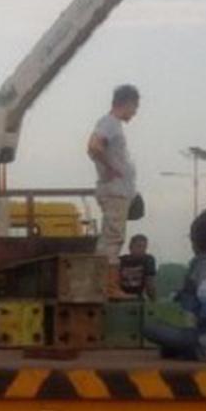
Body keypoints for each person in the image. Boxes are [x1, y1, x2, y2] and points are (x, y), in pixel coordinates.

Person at [87, 84, 140, 296]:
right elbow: (93, 146)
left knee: (113, 236)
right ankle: (108, 286)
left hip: (118, 191)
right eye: (134, 107)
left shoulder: (112, 124)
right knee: (112, 237)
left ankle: (107, 285)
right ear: (127, 103)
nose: (134, 113)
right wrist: (111, 169)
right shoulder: (110, 123)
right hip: (114, 191)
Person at [118, 234, 157, 301]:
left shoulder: (148, 260)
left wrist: (154, 302)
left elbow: (150, 283)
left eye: (144, 247)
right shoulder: (120, 261)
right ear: (130, 247)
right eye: (139, 246)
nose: (142, 250)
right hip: (120, 298)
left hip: (137, 298)